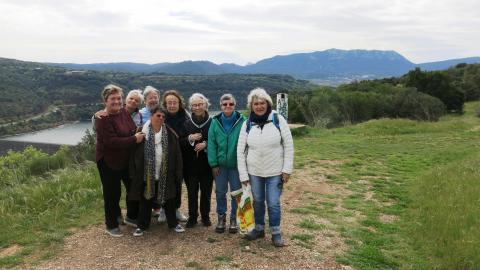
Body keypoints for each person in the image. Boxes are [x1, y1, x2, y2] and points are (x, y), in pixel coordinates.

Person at [237, 88, 294, 247]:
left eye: (262, 103)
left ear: (268, 103)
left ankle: (276, 232)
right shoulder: (247, 123)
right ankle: (259, 229)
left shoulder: (277, 119)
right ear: (251, 106)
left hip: (275, 171)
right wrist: (243, 175)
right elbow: (240, 151)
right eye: (256, 103)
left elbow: (288, 145)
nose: (259, 106)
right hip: (254, 172)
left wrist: (287, 170)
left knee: (273, 202)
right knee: (258, 201)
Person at [95, 84, 145, 237]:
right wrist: (134, 139)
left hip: (125, 160)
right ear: (105, 100)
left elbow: (130, 128)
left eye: (119, 98)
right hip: (108, 161)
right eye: (112, 99)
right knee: (112, 194)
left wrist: (138, 133)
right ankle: (111, 224)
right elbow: (112, 142)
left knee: (133, 188)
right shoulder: (103, 119)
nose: (116, 101)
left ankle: (131, 217)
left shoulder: (123, 112)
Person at [129, 105, 185, 235]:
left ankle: (173, 224)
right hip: (146, 174)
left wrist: (178, 173)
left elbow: (177, 155)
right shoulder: (140, 132)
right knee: (145, 200)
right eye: (158, 115)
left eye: (163, 116)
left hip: (165, 173)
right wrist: (133, 171)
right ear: (152, 116)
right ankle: (142, 226)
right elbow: (133, 154)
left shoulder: (170, 134)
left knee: (169, 200)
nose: (160, 118)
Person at [207, 94, 246, 233]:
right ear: (220, 106)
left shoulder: (243, 121)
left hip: (236, 166)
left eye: (230, 104)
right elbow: (211, 144)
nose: (228, 106)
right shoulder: (214, 122)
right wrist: (214, 164)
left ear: (235, 105)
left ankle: (234, 219)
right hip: (220, 166)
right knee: (220, 192)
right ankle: (221, 217)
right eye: (225, 104)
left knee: (236, 194)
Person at [182, 93, 214, 228]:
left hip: (207, 165)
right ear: (191, 108)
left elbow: (217, 141)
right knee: (192, 192)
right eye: (194, 105)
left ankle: (205, 216)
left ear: (205, 105)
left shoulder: (213, 122)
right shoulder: (186, 123)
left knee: (206, 192)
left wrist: (206, 144)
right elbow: (180, 142)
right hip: (190, 166)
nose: (197, 107)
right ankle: (192, 217)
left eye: (200, 104)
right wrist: (190, 138)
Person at [158, 90, 189, 223]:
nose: (172, 105)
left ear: (179, 103)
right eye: (169, 103)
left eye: (174, 102)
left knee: (177, 183)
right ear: (165, 104)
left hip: (182, 156)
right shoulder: (161, 117)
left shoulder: (186, 117)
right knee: (164, 184)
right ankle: (164, 210)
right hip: (164, 156)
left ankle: (176, 209)